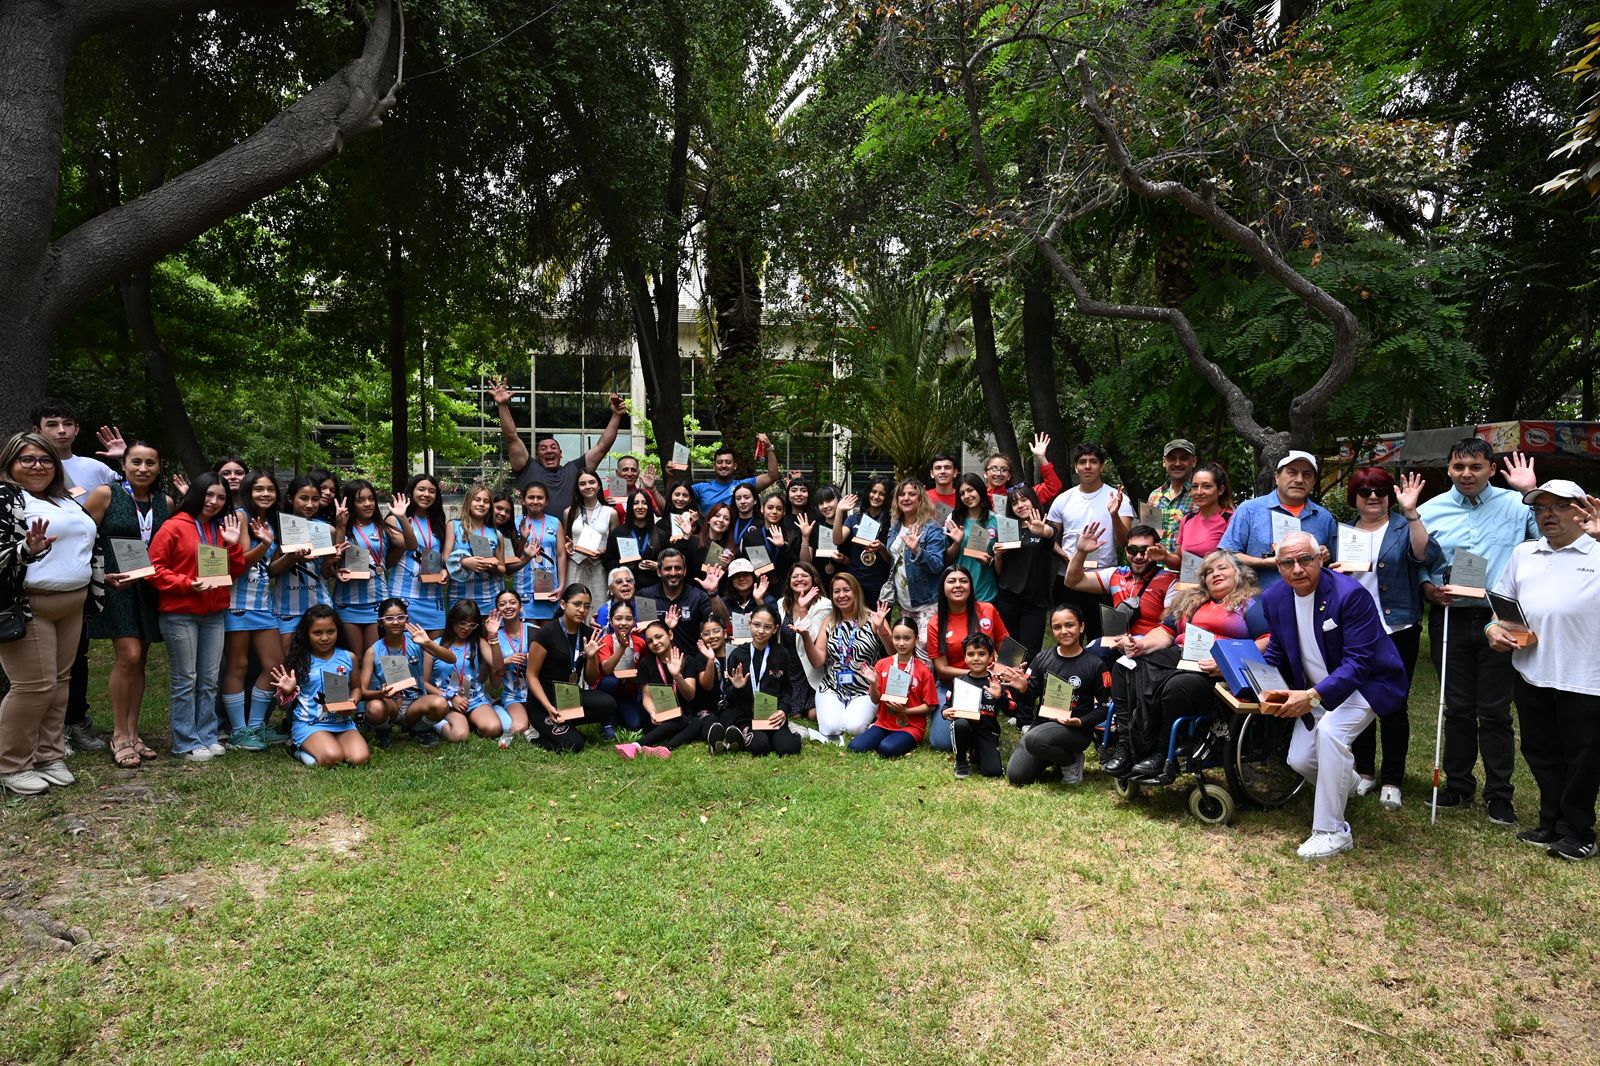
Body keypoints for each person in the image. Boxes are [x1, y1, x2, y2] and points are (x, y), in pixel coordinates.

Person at [1256, 532, 1409, 859]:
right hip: (1316, 687)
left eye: (1305, 560)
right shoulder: (1274, 598)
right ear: (1278, 566)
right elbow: (1280, 648)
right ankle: (1349, 781)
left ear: (1320, 559)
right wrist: (1262, 682)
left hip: (1366, 683)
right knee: (1299, 759)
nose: (1297, 569)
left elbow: (1359, 662)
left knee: (1330, 733)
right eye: (1287, 562)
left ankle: (1332, 831)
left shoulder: (1350, 595)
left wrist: (1311, 697)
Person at [1418, 441, 1539, 826]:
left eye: (1475, 466)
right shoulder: (1429, 509)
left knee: (1495, 712)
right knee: (1456, 707)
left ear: (1491, 468)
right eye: (1458, 467)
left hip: (1500, 619)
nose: (1466, 474)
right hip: (1449, 618)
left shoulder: (1516, 504)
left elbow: (1546, 541)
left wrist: (1529, 492)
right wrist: (1426, 586)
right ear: (1449, 469)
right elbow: (1419, 559)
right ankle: (1458, 784)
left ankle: (1500, 795)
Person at [1487, 480, 1600, 861]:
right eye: (1540, 508)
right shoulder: (1524, 553)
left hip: (1586, 676)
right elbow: (1503, 604)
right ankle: (1552, 820)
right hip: (1532, 671)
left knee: (1582, 757)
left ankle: (1579, 831)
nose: (1547, 514)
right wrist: (1493, 629)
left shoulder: (1597, 548)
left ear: (1581, 509)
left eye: (1558, 506)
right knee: (1540, 750)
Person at [0, 433, 107, 795]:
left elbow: (86, 545)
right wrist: (25, 550)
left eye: (45, 459)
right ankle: (11, 765)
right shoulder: (7, 498)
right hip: (29, 604)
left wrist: (104, 579)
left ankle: (48, 754)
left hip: (72, 602)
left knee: (60, 685)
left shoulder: (64, 499)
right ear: (10, 463)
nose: (37, 466)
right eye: (27, 459)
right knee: (33, 687)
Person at [1107, 550, 1268, 780]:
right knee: (1125, 666)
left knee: (1178, 685)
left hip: (1214, 666)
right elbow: (1166, 632)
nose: (1215, 574)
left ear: (1239, 573)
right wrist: (1141, 646)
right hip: (1181, 655)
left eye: (1222, 568)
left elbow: (1266, 639)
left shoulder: (1250, 603)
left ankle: (1160, 755)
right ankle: (1126, 746)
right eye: (1209, 571)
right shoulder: (1191, 600)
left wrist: (1229, 663)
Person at [1334, 469, 1440, 809]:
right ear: (1354, 496)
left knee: (1393, 705)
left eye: (1380, 490)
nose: (1373, 496)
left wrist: (1411, 513)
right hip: (1354, 630)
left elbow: (1427, 556)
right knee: (1358, 701)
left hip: (1398, 628)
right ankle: (1364, 772)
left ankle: (1392, 778)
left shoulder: (1401, 527)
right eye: (1364, 490)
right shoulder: (1343, 532)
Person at [31, 399, 121, 754]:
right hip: (35, 580)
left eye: (67, 423)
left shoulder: (94, 469)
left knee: (74, 658)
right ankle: (39, 734)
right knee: (37, 665)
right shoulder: (26, 473)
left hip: (81, 576)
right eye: (52, 424)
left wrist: (120, 460)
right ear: (37, 430)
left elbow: (133, 497)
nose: (61, 431)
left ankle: (73, 724)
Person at [148, 474, 247, 762]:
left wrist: (231, 544)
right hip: (180, 614)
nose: (214, 502)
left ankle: (207, 735)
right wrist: (186, 583)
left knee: (209, 679)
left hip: (214, 613)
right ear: (196, 494)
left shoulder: (220, 528)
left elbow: (235, 570)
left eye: (220, 497)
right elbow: (154, 569)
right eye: (209, 495)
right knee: (186, 679)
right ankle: (185, 740)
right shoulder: (173, 527)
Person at [89, 440, 173, 767]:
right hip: (116, 585)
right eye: (136, 462)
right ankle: (119, 734)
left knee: (141, 660)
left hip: (149, 588)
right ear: (123, 465)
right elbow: (83, 536)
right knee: (129, 655)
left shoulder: (164, 502)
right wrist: (98, 575)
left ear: (158, 466)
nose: (143, 468)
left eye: (150, 462)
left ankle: (134, 733)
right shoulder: (106, 495)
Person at [220, 470, 289, 750]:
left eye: (270, 490)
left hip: (262, 604)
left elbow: (267, 570)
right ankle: (239, 731)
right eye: (259, 489)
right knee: (238, 665)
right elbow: (241, 562)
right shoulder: (240, 516)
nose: (265, 494)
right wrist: (265, 544)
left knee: (274, 664)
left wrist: (290, 556)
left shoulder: (271, 521)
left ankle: (257, 726)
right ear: (248, 491)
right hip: (237, 602)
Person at [489, 377, 627, 517]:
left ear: (561, 453)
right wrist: (503, 406)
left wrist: (616, 415)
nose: (549, 450)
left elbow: (602, 447)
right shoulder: (528, 469)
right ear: (537, 455)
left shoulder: (574, 470)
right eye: (543, 449)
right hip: (535, 537)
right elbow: (511, 437)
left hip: (572, 536)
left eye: (553, 447)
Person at [1006, 604, 1108, 787]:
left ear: (1081, 627)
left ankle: (1071, 761)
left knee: (1033, 739)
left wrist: (1082, 722)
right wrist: (1022, 689)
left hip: (1075, 731)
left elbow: (1104, 708)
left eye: (1070, 625)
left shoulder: (1096, 665)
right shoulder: (1042, 659)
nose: (1064, 631)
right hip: (1042, 726)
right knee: (1017, 776)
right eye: (1057, 627)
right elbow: (1028, 699)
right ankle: (1057, 757)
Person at [1046, 443, 1133, 640]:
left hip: (1103, 579)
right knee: (1067, 636)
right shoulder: (1063, 499)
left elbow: (1124, 542)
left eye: (1093, 462)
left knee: (1104, 639)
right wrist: (1066, 555)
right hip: (1068, 577)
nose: (1088, 466)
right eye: (1082, 462)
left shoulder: (1119, 499)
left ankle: (1103, 672)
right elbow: (1050, 539)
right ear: (1075, 467)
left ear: (1101, 466)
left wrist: (1114, 515)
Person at [1217, 450, 1338, 590]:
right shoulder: (1250, 510)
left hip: (1310, 601)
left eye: (1307, 474)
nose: (1299, 479)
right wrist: (1264, 562)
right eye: (1292, 472)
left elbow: (1333, 562)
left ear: (1314, 482)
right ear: (1277, 477)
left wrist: (1326, 553)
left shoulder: (1323, 517)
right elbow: (1227, 555)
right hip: (1257, 599)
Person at [268, 605, 368, 768]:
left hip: (342, 723)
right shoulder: (299, 661)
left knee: (359, 759)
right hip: (310, 723)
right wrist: (287, 692)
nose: (325, 638)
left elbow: (357, 688)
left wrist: (353, 702)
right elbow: (282, 706)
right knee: (332, 758)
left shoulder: (348, 657)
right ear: (306, 634)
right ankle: (296, 750)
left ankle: (328, 744)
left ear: (338, 631)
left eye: (330, 631)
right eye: (317, 633)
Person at [798, 575, 893, 742]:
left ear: (856, 592)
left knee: (854, 728)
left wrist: (882, 631)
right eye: (836, 591)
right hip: (832, 687)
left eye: (846, 590)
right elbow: (818, 661)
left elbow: (894, 654)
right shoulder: (829, 622)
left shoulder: (875, 619)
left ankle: (859, 717)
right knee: (831, 728)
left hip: (865, 689)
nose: (841, 595)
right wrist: (806, 636)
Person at [524, 583, 618, 750]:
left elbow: (591, 679)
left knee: (608, 704)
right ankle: (535, 734)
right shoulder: (546, 634)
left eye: (587, 606)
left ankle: (564, 724)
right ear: (563, 604)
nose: (582, 610)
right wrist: (548, 706)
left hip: (569, 697)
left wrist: (591, 658)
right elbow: (531, 676)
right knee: (575, 744)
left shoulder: (589, 634)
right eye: (577, 604)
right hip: (543, 701)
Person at [712, 605, 806, 757]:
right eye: (756, 625)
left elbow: (788, 689)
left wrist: (783, 710)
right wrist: (737, 687)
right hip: (746, 717)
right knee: (759, 746)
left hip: (772, 715)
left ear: (775, 629)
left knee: (788, 749)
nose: (761, 631)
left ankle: (792, 733)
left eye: (767, 627)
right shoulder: (737, 655)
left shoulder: (781, 654)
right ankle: (743, 732)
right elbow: (728, 696)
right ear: (749, 624)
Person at [359, 597, 452, 749]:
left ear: (407, 619)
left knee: (441, 704)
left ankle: (417, 730)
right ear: (381, 622)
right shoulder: (373, 650)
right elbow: (362, 690)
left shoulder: (416, 641)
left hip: (416, 704)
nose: (395, 622)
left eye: (400, 617)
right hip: (391, 703)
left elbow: (451, 659)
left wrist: (428, 643)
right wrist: (381, 694)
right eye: (389, 618)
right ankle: (384, 731)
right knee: (374, 708)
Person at [331, 479, 398, 668]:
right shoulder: (341, 527)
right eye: (360, 500)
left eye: (371, 499)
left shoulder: (383, 527)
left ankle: (373, 696)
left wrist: (399, 517)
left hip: (377, 599)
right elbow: (337, 556)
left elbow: (406, 545)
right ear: (351, 503)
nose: (367, 504)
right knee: (355, 658)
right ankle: (356, 696)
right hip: (348, 601)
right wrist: (341, 526)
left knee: (375, 658)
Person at [850, 618, 938, 759]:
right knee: (855, 747)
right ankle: (883, 737)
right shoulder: (882, 664)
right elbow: (875, 700)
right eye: (897, 638)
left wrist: (906, 711)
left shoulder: (923, 671)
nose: (901, 643)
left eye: (907, 638)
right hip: (884, 723)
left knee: (886, 749)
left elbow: (931, 706)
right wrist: (873, 683)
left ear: (916, 639)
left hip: (910, 726)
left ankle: (897, 740)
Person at [270, 474, 338, 651]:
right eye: (303, 498)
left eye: (315, 499)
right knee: (287, 663)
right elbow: (270, 572)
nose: (310, 504)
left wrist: (329, 562)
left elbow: (325, 574)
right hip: (287, 608)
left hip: (320, 607)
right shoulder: (278, 527)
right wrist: (292, 557)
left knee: (319, 662)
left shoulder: (326, 530)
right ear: (291, 498)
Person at [884, 477, 949, 664]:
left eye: (912, 494)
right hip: (905, 603)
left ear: (920, 499)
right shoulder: (895, 526)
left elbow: (937, 564)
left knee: (924, 653)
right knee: (908, 652)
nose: (906, 498)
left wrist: (917, 551)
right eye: (902, 494)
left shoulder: (932, 528)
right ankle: (912, 691)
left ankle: (926, 692)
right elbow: (895, 558)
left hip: (927, 603)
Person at [941, 633, 1016, 779]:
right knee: (960, 724)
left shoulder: (996, 682)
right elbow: (946, 706)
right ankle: (961, 759)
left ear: (990, 658)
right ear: (965, 658)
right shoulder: (958, 682)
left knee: (993, 772)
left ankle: (977, 752)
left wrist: (999, 697)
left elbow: (1012, 710)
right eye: (971, 654)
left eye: (981, 654)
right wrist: (944, 713)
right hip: (966, 727)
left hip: (988, 732)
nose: (976, 658)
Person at [992, 485, 1056, 656]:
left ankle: (1027, 683)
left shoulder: (1043, 527)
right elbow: (1000, 572)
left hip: (1035, 602)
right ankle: (1008, 682)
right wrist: (997, 556)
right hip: (1008, 600)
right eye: (1014, 503)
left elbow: (1050, 533)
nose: (1019, 505)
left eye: (1023, 500)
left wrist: (1043, 531)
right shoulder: (1007, 530)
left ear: (1032, 500)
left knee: (1030, 654)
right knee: (1009, 652)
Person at [424, 600, 498, 744]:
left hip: (474, 697)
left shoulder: (478, 643)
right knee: (459, 736)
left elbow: (497, 665)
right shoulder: (435, 645)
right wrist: (450, 698)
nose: (466, 628)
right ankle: (433, 723)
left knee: (493, 728)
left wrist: (493, 636)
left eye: (472, 625)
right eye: (462, 623)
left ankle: (470, 719)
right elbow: (424, 683)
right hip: (446, 700)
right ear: (452, 620)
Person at [388, 475, 449, 634]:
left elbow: (441, 556)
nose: (426, 494)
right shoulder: (395, 519)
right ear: (411, 491)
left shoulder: (439, 522)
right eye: (421, 489)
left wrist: (444, 570)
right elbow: (410, 545)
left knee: (434, 650)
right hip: (403, 595)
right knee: (406, 650)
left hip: (433, 596)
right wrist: (402, 519)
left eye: (431, 491)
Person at [446, 483, 509, 617]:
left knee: (489, 636)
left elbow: (503, 570)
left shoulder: (496, 534)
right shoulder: (453, 526)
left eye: (486, 501)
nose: (481, 504)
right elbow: (445, 558)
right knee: (461, 636)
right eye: (477, 499)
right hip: (460, 597)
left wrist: (492, 566)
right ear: (468, 502)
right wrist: (464, 562)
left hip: (489, 598)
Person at [831, 479, 893, 605]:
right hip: (856, 581)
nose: (876, 496)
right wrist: (839, 511)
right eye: (873, 491)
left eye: (882, 494)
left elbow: (891, 560)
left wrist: (881, 548)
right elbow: (837, 540)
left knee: (878, 622)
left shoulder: (892, 522)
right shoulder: (854, 519)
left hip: (879, 583)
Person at [511, 482, 565, 625]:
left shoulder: (555, 522)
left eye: (540, 498)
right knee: (529, 637)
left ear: (546, 501)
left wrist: (561, 586)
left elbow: (561, 555)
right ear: (523, 500)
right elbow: (513, 558)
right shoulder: (516, 523)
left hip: (549, 589)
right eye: (531, 497)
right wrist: (523, 539)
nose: (535, 501)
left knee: (548, 637)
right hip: (524, 588)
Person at [942, 474, 999, 604]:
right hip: (958, 590)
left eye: (970, 490)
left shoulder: (995, 520)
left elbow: (1002, 561)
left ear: (980, 490)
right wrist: (957, 543)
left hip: (985, 591)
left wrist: (990, 561)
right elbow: (946, 559)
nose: (966, 496)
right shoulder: (953, 519)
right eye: (962, 493)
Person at [593, 600, 647, 730]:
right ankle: (606, 722)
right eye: (618, 618)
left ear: (634, 621)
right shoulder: (605, 641)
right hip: (607, 690)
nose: (623, 623)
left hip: (627, 692)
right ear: (611, 621)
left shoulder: (640, 643)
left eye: (628, 619)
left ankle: (618, 713)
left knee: (635, 725)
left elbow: (644, 670)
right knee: (609, 681)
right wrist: (622, 648)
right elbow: (606, 669)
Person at [648, 549, 713, 655]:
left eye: (678, 568)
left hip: (692, 663)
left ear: (685, 571)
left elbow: (718, 621)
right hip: (657, 664)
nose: (673, 573)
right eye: (668, 569)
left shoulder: (698, 597)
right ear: (659, 572)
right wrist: (666, 627)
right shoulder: (647, 596)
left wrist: (713, 593)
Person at [1165, 462, 1233, 564]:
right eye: (1195, 486)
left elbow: (1235, 562)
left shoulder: (1230, 519)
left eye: (1207, 486)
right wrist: (1164, 556)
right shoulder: (1187, 519)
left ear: (1220, 490)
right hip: (1187, 579)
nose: (1199, 492)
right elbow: (1180, 562)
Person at [563, 469, 616, 598]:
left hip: (599, 567)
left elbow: (614, 546)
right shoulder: (569, 512)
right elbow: (566, 539)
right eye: (583, 483)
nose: (588, 487)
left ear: (599, 485)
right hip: (575, 566)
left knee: (599, 606)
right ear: (578, 488)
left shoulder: (610, 513)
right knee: (574, 606)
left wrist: (605, 551)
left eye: (592, 482)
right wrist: (567, 547)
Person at [690, 436, 781, 511]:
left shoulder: (744, 486)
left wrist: (769, 447)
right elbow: (678, 495)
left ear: (735, 466)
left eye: (728, 462)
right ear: (714, 466)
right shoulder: (700, 488)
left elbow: (772, 476)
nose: (724, 465)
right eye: (720, 462)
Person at [980, 433, 1063, 508]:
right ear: (985, 473)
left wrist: (1041, 458)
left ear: (1009, 476)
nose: (998, 473)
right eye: (994, 469)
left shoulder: (1022, 496)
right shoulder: (977, 497)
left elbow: (1052, 487)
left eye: (1004, 470)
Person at [1145, 439, 1198, 555]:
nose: (1178, 463)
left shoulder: (1200, 495)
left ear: (1193, 461)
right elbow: (1146, 536)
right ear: (1164, 462)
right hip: (1156, 569)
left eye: (1184, 458)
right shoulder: (1155, 496)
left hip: (1188, 569)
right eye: (1172, 458)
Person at [607, 488, 663, 591]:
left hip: (654, 590)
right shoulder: (619, 533)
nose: (640, 507)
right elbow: (607, 562)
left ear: (650, 507)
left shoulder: (660, 534)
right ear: (629, 507)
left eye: (645, 503)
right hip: (625, 590)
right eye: (635, 503)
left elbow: (670, 564)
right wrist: (622, 563)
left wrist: (659, 566)